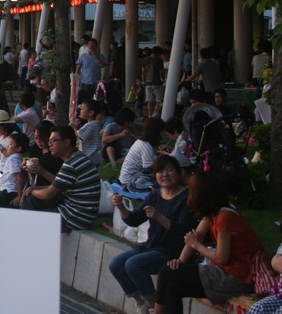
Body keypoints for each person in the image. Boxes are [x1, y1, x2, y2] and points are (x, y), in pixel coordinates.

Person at [154, 172, 264, 314]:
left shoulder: (225, 217)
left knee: (165, 272)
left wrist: (196, 246)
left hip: (236, 276)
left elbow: (221, 258)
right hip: (225, 271)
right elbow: (197, 236)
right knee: (173, 288)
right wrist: (180, 261)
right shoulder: (213, 212)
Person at [108, 155, 193, 314]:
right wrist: (121, 207)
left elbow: (184, 231)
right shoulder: (154, 196)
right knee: (116, 265)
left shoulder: (186, 198)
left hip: (172, 251)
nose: (165, 175)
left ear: (179, 173)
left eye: (169, 170)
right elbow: (134, 220)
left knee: (134, 265)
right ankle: (142, 305)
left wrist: (160, 217)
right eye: (160, 171)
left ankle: (156, 308)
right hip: (151, 246)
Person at [18, 124, 101, 232]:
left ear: (66, 142)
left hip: (74, 218)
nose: (50, 144)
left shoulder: (71, 164)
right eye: (49, 141)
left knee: (29, 213)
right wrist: (33, 189)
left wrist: (31, 191)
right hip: (80, 216)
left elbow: (48, 193)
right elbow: (56, 186)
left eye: (53, 141)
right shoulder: (78, 157)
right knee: (31, 205)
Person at [120, 117, 166, 192]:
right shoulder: (146, 146)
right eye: (162, 131)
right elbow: (149, 170)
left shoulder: (141, 142)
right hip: (130, 181)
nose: (164, 134)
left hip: (127, 179)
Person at [0, 132, 29, 208]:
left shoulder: (13, 159)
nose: (7, 146)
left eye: (10, 144)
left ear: (18, 148)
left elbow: (19, 176)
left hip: (9, 191)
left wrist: (19, 195)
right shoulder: (16, 156)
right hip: (7, 189)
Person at [76, 98, 104, 166]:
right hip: (94, 155)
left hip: (89, 156)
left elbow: (82, 137)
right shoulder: (96, 124)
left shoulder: (90, 125)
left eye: (82, 109)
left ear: (91, 113)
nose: (80, 111)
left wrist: (73, 127)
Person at [142, 47, 165, 120]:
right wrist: (163, 80)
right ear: (158, 53)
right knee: (159, 100)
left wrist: (143, 81)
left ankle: (150, 115)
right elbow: (162, 71)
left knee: (150, 100)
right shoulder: (159, 60)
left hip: (147, 82)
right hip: (156, 82)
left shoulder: (145, 60)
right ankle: (155, 114)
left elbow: (143, 72)